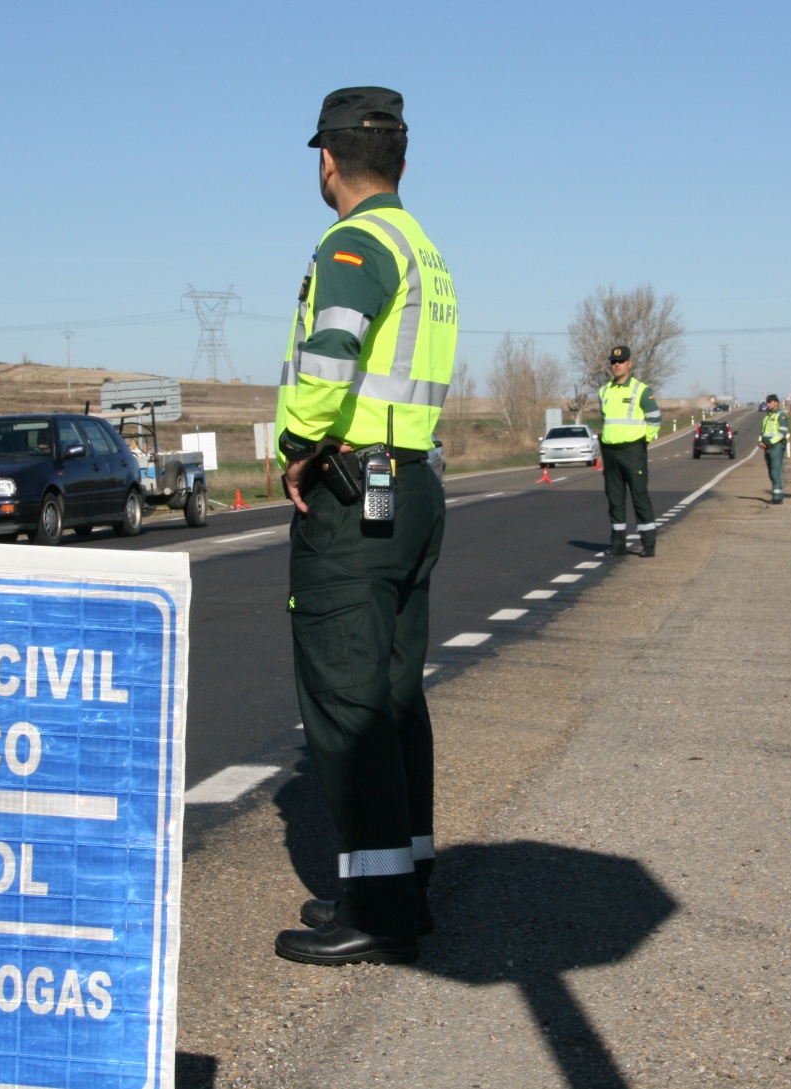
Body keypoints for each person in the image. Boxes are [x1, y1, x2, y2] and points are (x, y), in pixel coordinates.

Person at [273, 86, 457, 966]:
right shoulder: (422, 245)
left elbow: (329, 353)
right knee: (390, 693)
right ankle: (400, 875)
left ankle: (379, 909)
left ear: (327, 160)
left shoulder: (354, 242)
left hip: (353, 491)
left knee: (346, 700)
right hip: (410, 485)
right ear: (403, 164)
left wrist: (299, 445)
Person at [597, 345, 662, 556]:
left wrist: (644, 441)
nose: (616, 365)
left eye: (621, 361)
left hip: (633, 451)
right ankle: (617, 544)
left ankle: (648, 544)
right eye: (613, 362)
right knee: (615, 500)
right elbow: (606, 419)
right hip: (610, 452)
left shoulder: (641, 390)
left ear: (629, 364)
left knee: (639, 497)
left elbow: (655, 420)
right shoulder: (604, 390)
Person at [759, 393, 790, 504]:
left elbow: (782, 433)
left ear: (776, 403)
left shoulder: (781, 415)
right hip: (767, 447)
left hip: (776, 447)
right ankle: (778, 494)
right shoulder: (767, 417)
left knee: (775, 472)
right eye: (767, 402)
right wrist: (760, 441)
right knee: (771, 472)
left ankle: (777, 498)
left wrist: (770, 443)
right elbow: (763, 432)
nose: (767, 404)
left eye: (769, 402)